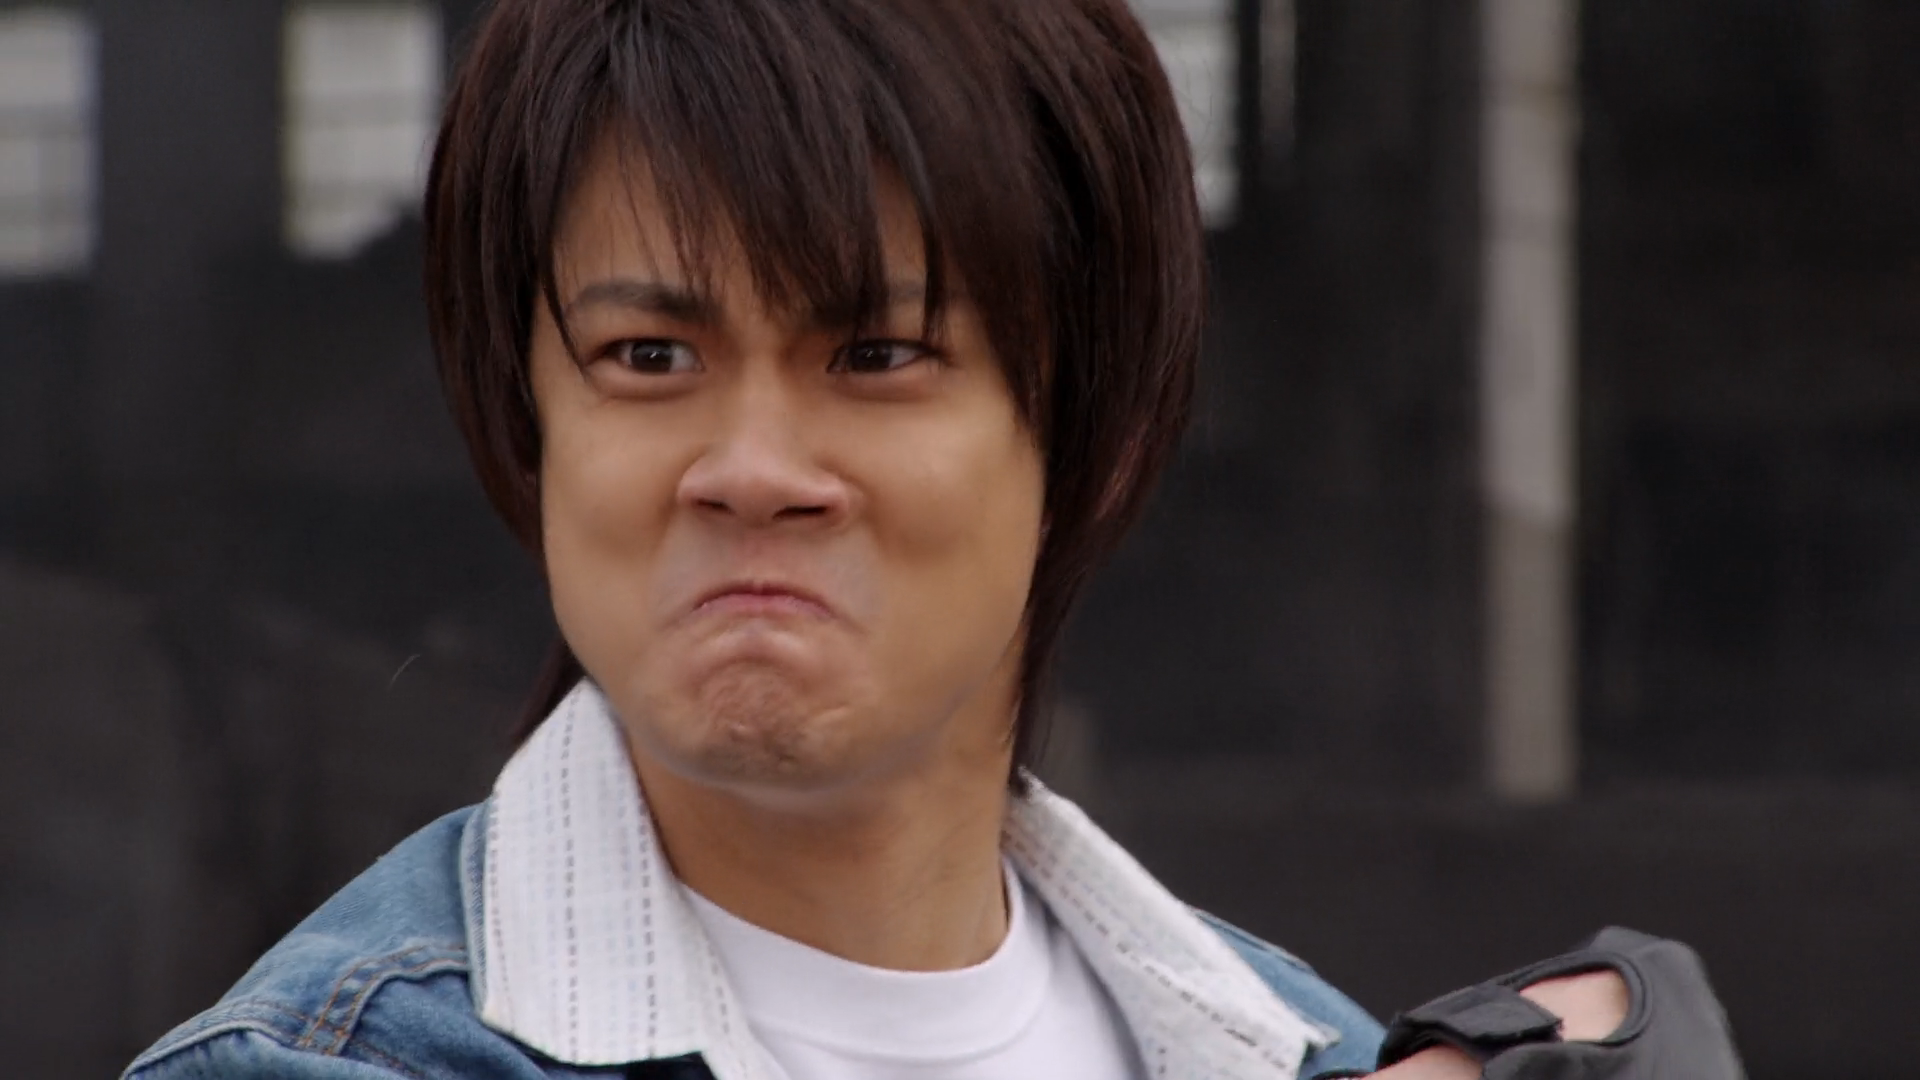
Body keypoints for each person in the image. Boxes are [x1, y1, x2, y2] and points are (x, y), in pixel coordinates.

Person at [123, 1, 1728, 1077]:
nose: (752, 469)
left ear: (1092, 435)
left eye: (879, 354)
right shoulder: (334, 1065)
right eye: (650, 356)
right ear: (531, 422)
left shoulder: (1283, 1045)